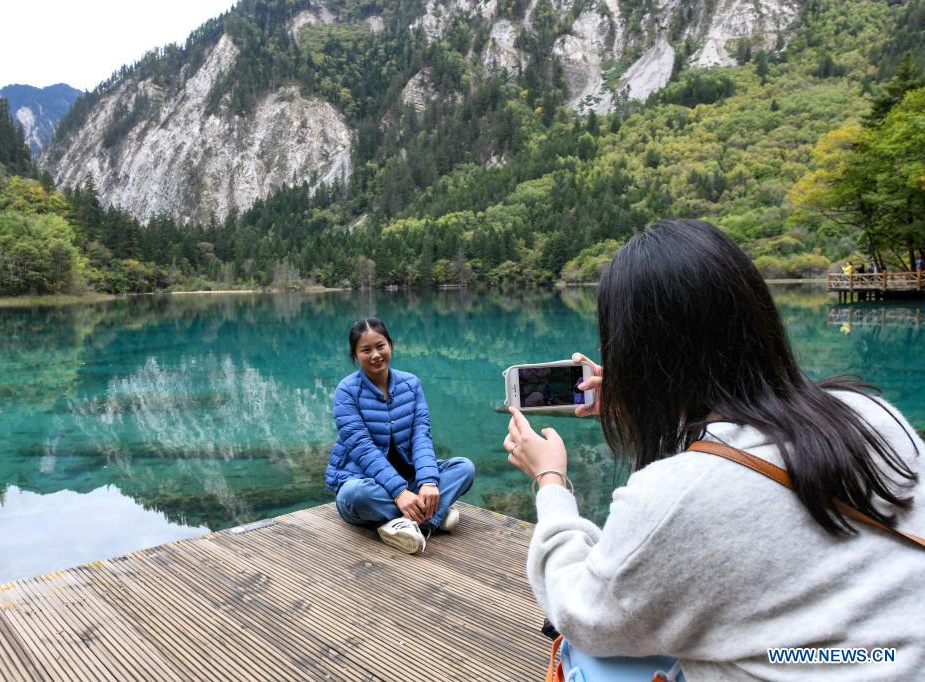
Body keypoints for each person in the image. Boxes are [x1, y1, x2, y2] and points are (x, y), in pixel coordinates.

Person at [504, 220, 924, 680]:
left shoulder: (673, 496)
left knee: (601, 660)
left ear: (633, 349)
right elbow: (737, 473)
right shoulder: (868, 411)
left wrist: (550, 482)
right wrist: (649, 402)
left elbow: (583, 615)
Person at [327, 317, 475, 554]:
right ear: (355, 355)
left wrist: (427, 480)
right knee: (355, 495)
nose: (375, 354)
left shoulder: (411, 384)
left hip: (409, 478)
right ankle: (430, 516)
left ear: (390, 345)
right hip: (365, 482)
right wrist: (398, 492)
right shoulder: (347, 391)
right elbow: (362, 448)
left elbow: (421, 436)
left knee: (464, 468)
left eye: (380, 346)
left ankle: (403, 522)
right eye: (366, 350)